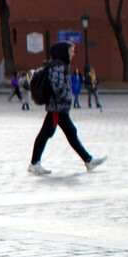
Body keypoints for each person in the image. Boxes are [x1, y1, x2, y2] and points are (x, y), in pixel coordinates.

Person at [28, 42, 107, 175]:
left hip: (59, 108)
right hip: (57, 108)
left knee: (69, 133)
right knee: (47, 134)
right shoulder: (59, 65)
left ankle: (88, 160)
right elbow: (56, 84)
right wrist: (67, 97)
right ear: (63, 52)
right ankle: (34, 163)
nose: (73, 54)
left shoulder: (59, 64)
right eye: (71, 51)